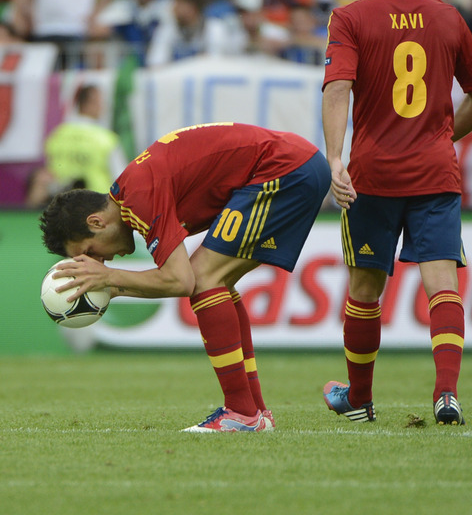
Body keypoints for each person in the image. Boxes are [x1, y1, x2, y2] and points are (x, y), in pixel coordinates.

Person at [39, 122, 331, 432]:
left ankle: (240, 412)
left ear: (96, 222)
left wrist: (110, 278)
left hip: (284, 169)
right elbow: (178, 279)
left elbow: (181, 280)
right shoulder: (133, 193)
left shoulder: (139, 196)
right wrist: (112, 286)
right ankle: (255, 413)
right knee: (217, 282)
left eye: (90, 251)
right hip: (295, 164)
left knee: (206, 279)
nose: (100, 260)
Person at [321, 0, 472, 426]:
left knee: (365, 290)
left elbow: (337, 88)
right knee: (442, 285)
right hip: (435, 174)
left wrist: (335, 159)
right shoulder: (447, 17)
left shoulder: (349, 18)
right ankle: (446, 394)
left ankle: (359, 397)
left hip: (372, 176)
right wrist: (444, 138)